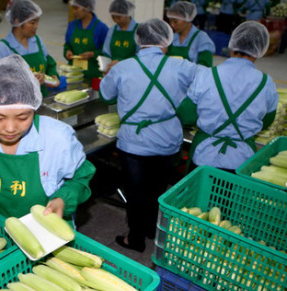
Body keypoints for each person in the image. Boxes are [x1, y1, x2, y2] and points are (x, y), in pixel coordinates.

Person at [0, 55, 96, 245]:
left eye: (23, 117)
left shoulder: (57, 138)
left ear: (34, 108)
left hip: (53, 230)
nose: (10, 128)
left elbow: (81, 178)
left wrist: (63, 199)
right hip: (3, 227)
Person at [99, 19, 198, 252]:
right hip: (167, 143)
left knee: (135, 193)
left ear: (138, 40)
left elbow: (105, 94)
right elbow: (207, 83)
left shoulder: (123, 67)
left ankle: (135, 238)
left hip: (133, 143)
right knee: (158, 190)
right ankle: (154, 230)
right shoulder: (181, 67)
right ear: (167, 41)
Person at [177, 21, 278, 172]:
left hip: (204, 156)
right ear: (261, 49)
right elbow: (266, 121)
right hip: (242, 160)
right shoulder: (266, 83)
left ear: (232, 44)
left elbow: (186, 115)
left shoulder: (207, 75)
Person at [0, 0, 60, 96]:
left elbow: (49, 63)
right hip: (19, 105)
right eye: (32, 23)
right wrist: (29, 83)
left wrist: (53, 75)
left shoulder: (37, 41)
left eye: (37, 22)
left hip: (42, 98)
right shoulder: (3, 49)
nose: (36, 26)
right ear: (17, 22)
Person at [64, 0, 109, 79]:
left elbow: (107, 52)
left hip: (93, 76)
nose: (74, 12)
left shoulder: (101, 28)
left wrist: (92, 54)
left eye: (77, 8)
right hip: (74, 75)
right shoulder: (72, 25)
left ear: (87, 8)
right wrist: (67, 51)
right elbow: (67, 45)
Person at [166, 1, 215, 66]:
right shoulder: (172, 38)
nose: (172, 25)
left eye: (175, 21)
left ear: (187, 19)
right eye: (170, 21)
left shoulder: (202, 39)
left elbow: (205, 67)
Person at [102, 0, 139, 70]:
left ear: (127, 14)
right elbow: (106, 52)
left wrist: (121, 62)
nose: (116, 20)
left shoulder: (138, 31)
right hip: (113, 70)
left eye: (119, 17)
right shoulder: (112, 30)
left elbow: (140, 56)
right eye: (113, 17)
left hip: (131, 71)